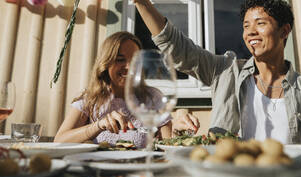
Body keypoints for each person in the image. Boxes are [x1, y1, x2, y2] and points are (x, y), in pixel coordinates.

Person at [105, 0, 301, 145]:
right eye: (246, 26)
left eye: (260, 23)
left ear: (284, 31)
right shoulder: (225, 70)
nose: (251, 32)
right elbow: (175, 46)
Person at [54, 31, 199, 147]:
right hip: (100, 172)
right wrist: (98, 125)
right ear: (106, 63)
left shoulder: (152, 97)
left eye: (135, 60)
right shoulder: (90, 98)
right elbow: (59, 140)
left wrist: (179, 131)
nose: (129, 67)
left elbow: (168, 146)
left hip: (140, 172)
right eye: (120, 59)